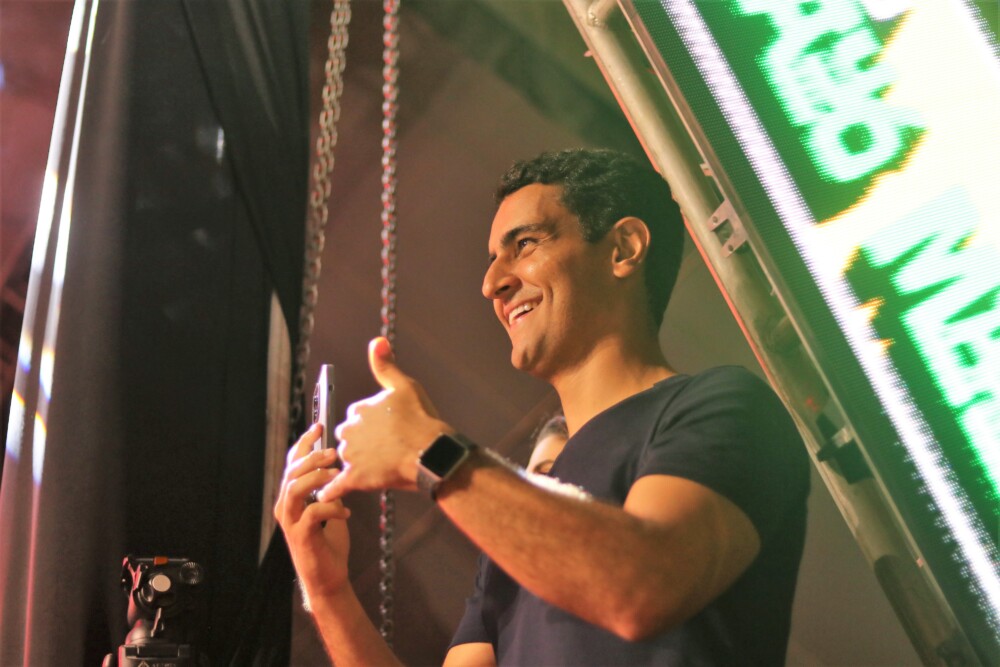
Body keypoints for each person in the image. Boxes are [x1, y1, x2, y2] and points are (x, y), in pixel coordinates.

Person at [274, 149, 810, 665]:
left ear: (623, 248)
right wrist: (327, 591)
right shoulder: (520, 517)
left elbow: (643, 586)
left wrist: (428, 450)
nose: (492, 284)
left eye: (525, 244)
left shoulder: (726, 407)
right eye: (493, 260)